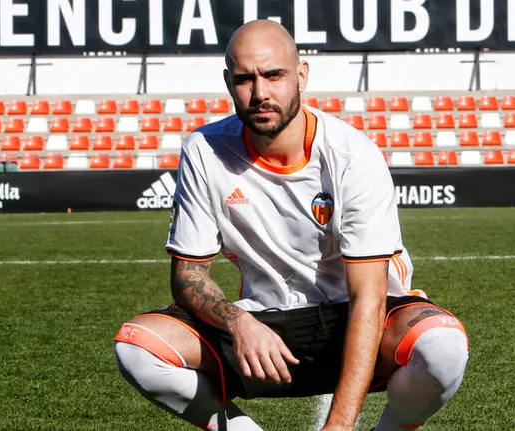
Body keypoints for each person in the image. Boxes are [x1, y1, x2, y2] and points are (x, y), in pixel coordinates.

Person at [113, 20, 469, 431]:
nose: (260, 93)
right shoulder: (204, 150)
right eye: (245, 78)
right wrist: (237, 322)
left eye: (274, 75)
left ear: (301, 75)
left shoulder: (352, 155)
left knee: (442, 344)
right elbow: (188, 276)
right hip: (264, 323)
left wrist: (338, 426)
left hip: (353, 319)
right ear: (229, 83)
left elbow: (368, 299)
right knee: (137, 348)